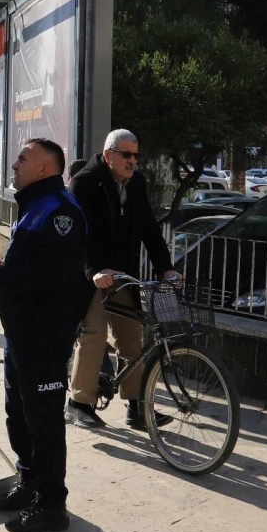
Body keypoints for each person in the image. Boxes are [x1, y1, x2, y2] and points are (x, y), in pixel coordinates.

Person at [0, 138, 86, 532]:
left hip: (44, 337)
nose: (14, 163)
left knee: (43, 422)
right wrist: (4, 267)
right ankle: (30, 481)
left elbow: (52, 277)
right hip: (22, 334)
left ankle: (52, 505)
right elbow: (35, 264)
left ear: (44, 168)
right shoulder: (34, 206)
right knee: (19, 415)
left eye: (22, 158)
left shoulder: (60, 212)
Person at [66, 129, 180, 430]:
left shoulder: (136, 183)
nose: (133, 161)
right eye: (126, 155)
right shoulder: (85, 182)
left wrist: (165, 269)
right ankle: (78, 403)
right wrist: (94, 271)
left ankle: (137, 407)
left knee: (132, 338)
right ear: (108, 155)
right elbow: (81, 233)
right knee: (95, 332)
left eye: (136, 156)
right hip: (91, 275)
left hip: (123, 274)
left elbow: (149, 230)